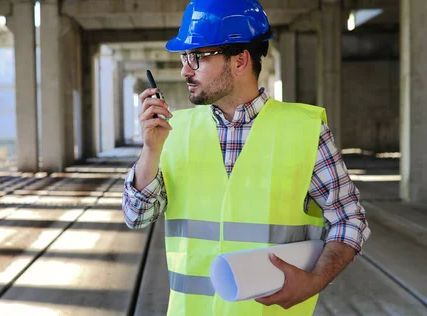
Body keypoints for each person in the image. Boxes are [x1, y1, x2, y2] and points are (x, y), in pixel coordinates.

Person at [121, 0, 371, 315]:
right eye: (185, 57)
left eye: (197, 57)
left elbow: (350, 219)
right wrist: (151, 150)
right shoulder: (173, 131)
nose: (185, 69)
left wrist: (315, 280)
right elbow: (137, 216)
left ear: (239, 61)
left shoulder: (304, 131)